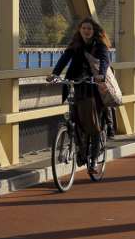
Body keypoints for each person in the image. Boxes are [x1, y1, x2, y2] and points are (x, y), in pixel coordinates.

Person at [47, 17, 113, 164]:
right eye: (84, 28)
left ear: (93, 30)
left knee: (93, 121)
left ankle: (95, 157)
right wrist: (55, 74)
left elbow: (104, 60)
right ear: (80, 30)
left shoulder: (99, 45)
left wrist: (100, 75)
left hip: (93, 84)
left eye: (89, 28)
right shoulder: (75, 44)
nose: (86, 31)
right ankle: (80, 150)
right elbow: (64, 59)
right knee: (75, 116)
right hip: (76, 81)